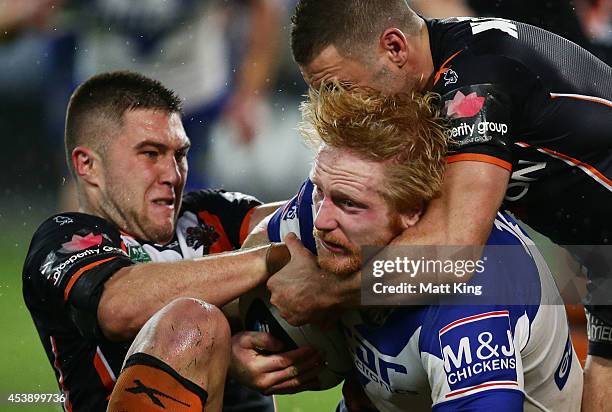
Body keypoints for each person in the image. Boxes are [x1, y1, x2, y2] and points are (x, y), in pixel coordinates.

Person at [262, 1, 611, 408]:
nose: (332, 107)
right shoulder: (449, 62)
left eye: (338, 88)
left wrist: (326, 292)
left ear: (394, 48)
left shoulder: (476, 86)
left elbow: (453, 251)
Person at [21, 70, 304, 411]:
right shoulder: (63, 238)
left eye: (179, 155)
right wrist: (269, 259)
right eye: (150, 154)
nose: (172, 175)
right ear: (88, 165)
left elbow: (314, 221)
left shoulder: (215, 214)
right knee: (195, 321)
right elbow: (120, 307)